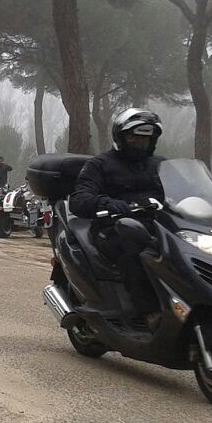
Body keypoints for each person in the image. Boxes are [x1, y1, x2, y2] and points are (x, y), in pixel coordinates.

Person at [70, 108, 166, 320]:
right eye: (134, 137)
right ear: (120, 136)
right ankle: (147, 313)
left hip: (156, 225)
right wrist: (109, 203)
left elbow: (185, 190)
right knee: (134, 249)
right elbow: (79, 199)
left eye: (145, 138)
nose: (140, 142)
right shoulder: (100, 164)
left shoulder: (160, 165)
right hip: (113, 227)